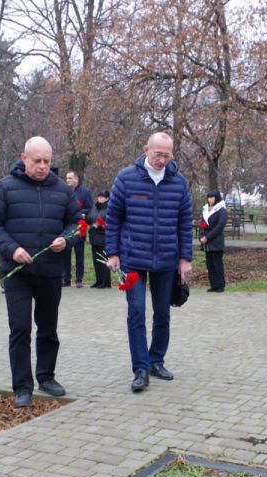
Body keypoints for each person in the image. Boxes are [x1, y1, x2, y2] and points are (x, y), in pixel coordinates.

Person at [0, 137, 80, 407]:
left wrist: (66, 239)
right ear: (24, 158)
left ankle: (46, 377)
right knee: (20, 328)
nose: (42, 166)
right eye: (37, 161)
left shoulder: (62, 190)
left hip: (50, 271)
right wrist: (12, 249)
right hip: (18, 273)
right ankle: (22, 386)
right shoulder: (4, 188)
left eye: (47, 161)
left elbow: (77, 223)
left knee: (48, 328)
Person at [105, 132, 193, 392]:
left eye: (167, 155)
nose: (162, 160)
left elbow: (184, 223)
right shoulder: (126, 178)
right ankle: (140, 369)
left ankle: (156, 360)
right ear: (146, 150)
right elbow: (113, 218)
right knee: (136, 312)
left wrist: (185, 259)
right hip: (132, 259)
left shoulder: (179, 183)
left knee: (162, 313)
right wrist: (112, 253)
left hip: (166, 260)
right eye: (158, 154)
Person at [62, 171, 92, 288]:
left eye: (70, 178)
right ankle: (66, 278)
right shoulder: (64, 191)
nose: (67, 180)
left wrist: (79, 213)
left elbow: (89, 208)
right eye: (66, 178)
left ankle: (79, 279)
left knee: (79, 254)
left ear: (76, 179)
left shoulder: (85, 192)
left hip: (80, 227)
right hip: (66, 227)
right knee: (66, 255)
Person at [200, 188, 227, 292]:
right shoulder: (205, 209)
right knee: (210, 264)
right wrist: (201, 236)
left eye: (212, 197)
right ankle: (213, 285)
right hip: (207, 242)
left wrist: (207, 237)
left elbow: (220, 226)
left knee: (217, 264)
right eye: (208, 197)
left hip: (216, 241)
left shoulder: (222, 210)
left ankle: (220, 286)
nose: (210, 199)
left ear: (216, 198)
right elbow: (202, 223)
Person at [87, 190, 110, 288]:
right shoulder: (94, 207)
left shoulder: (110, 208)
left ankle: (106, 282)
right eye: (99, 196)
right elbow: (90, 218)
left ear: (107, 198)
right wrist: (86, 219)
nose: (99, 198)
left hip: (103, 237)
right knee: (96, 260)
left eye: (102, 197)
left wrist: (101, 225)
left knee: (103, 260)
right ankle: (99, 280)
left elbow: (112, 221)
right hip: (94, 236)